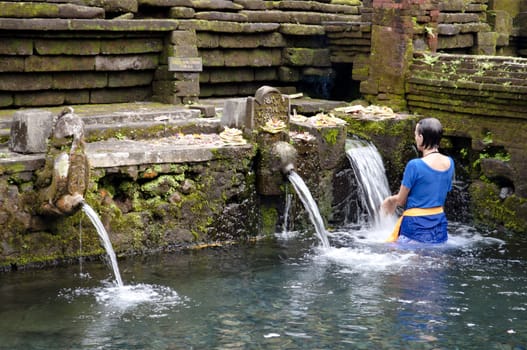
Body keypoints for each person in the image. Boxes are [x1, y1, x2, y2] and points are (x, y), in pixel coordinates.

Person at [381, 117, 454, 244]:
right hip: (439, 223)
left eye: (415, 134)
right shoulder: (450, 162)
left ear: (421, 137)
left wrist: (389, 201)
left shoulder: (414, 165)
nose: (415, 138)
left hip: (415, 225)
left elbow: (401, 200)